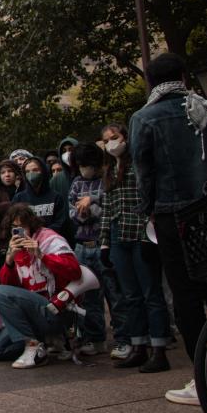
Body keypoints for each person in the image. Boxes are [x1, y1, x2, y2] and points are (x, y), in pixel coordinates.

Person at [129, 52, 207, 405]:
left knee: (185, 294)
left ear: (150, 83)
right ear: (183, 76)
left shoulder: (145, 117)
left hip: (172, 214)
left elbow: (144, 170)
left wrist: (147, 209)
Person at [98, 123, 170, 372]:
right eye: (106, 140)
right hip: (118, 235)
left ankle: (159, 348)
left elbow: (149, 196)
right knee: (130, 295)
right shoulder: (108, 169)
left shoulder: (139, 163)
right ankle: (138, 345)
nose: (111, 143)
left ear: (125, 138)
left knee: (151, 292)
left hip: (140, 232)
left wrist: (149, 234)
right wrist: (105, 241)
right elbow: (107, 207)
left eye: (115, 137)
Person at [0, 203, 81, 367]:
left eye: (23, 226)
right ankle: (42, 342)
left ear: (32, 225)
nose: (19, 231)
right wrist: (9, 261)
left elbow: (75, 271)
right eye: (15, 228)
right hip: (30, 314)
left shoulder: (49, 239)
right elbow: (9, 287)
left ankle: (33, 346)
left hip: (55, 309)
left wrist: (42, 256)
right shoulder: (16, 248)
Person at [68, 143, 127, 358]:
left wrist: (90, 204)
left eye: (88, 165)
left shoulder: (106, 180)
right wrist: (84, 211)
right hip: (83, 246)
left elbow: (108, 209)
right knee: (90, 297)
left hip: (104, 243)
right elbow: (72, 214)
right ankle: (96, 338)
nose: (86, 169)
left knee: (115, 294)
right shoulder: (75, 184)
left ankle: (123, 338)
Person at [12, 156, 68, 234]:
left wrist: (42, 235)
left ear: (43, 172)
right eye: (27, 171)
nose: (31, 174)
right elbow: (14, 224)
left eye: (35, 170)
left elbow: (61, 223)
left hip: (50, 242)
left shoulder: (56, 197)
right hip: (26, 242)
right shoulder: (19, 198)